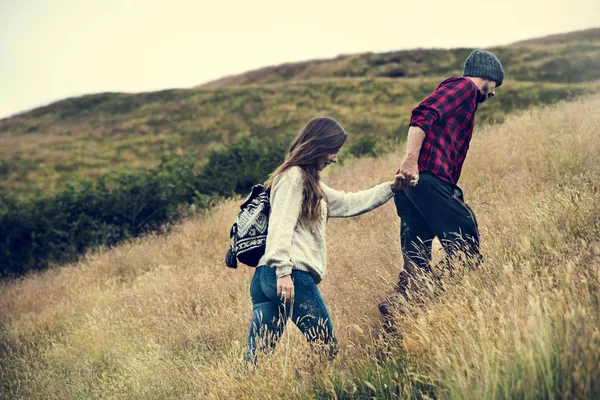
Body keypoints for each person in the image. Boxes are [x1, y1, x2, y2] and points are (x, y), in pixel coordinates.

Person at [245, 117, 401, 363]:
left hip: (266, 276)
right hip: (289, 274)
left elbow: (349, 203)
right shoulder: (293, 176)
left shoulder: (309, 183)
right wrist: (284, 272)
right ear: (318, 145)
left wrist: (392, 187)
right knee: (325, 346)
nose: (335, 158)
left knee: (256, 359)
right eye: (333, 150)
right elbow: (279, 227)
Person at [379, 50, 505, 326]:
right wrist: (411, 161)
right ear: (486, 76)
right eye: (495, 84)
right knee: (467, 248)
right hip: (427, 180)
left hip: (413, 188)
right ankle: (422, 298)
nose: (494, 93)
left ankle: (397, 313)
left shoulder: (465, 100)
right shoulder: (463, 87)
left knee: (417, 259)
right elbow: (421, 115)